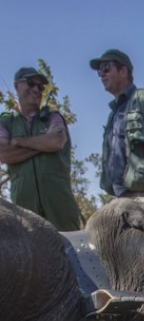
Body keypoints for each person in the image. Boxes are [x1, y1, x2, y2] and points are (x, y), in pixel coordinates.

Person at [0, 67, 81, 230]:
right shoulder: (6, 122)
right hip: (24, 215)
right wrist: (43, 145)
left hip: (61, 211)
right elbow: (4, 155)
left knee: (70, 253)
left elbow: (56, 142)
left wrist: (17, 141)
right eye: (31, 84)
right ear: (17, 86)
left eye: (41, 87)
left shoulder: (54, 117)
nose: (37, 90)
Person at [89, 49, 144, 202]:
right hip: (123, 197)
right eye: (99, 72)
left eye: (106, 68)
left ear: (123, 71)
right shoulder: (113, 114)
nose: (102, 74)